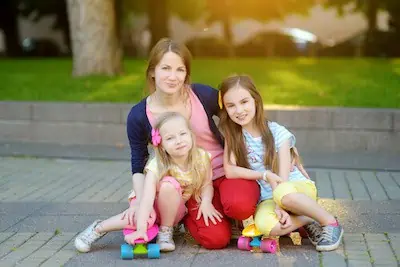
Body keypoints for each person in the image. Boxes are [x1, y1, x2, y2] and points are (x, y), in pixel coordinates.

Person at [218, 74, 344, 252]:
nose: (239, 110)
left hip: (294, 189)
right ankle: (307, 217)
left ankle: (330, 222)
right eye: (231, 105)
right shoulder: (233, 136)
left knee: (284, 194)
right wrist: (264, 175)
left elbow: (283, 178)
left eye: (244, 102)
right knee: (265, 226)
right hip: (269, 196)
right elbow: (230, 171)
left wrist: (280, 205)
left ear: (256, 101)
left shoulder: (278, 132)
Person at [75, 112, 222, 252]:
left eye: (183, 134)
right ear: (162, 145)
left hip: (174, 209)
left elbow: (206, 184)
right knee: (143, 213)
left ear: (191, 135)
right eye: (170, 138)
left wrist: (206, 201)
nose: (179, 141)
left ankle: (166, 230)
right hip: (150, 204)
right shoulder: (157, 165)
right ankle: (98, 228)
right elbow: (146, 200)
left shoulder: (202, 157)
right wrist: (141, 228)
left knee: (169, 190)